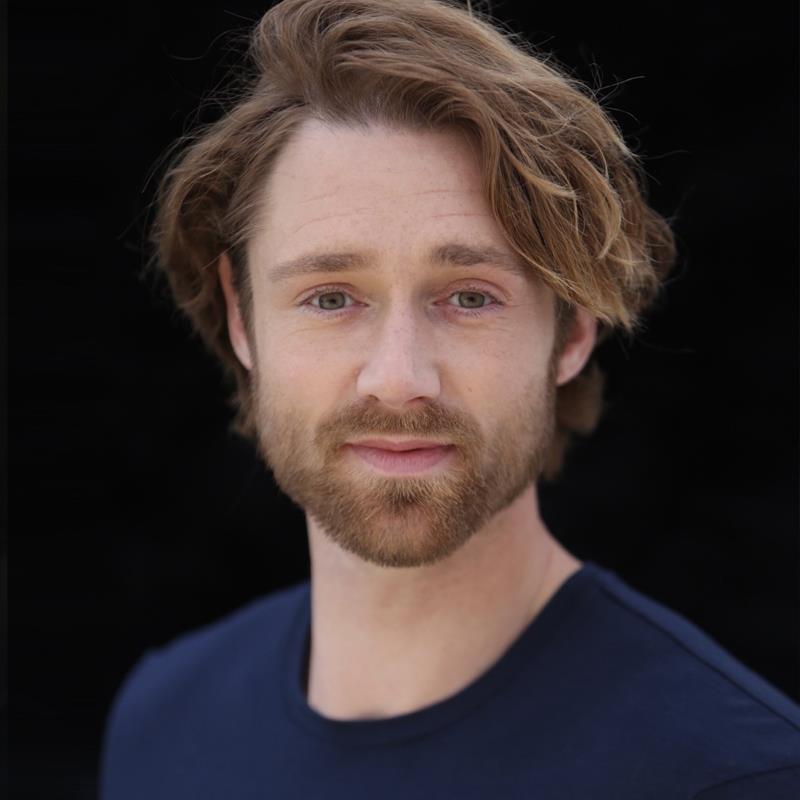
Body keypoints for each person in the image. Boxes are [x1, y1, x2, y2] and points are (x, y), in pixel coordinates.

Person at [100, 0, 800, 797]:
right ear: (241, 316)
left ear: (574, 327)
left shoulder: (738, 774)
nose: (399, 377)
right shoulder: (163, 721)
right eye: (331, 297)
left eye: (469, 296)